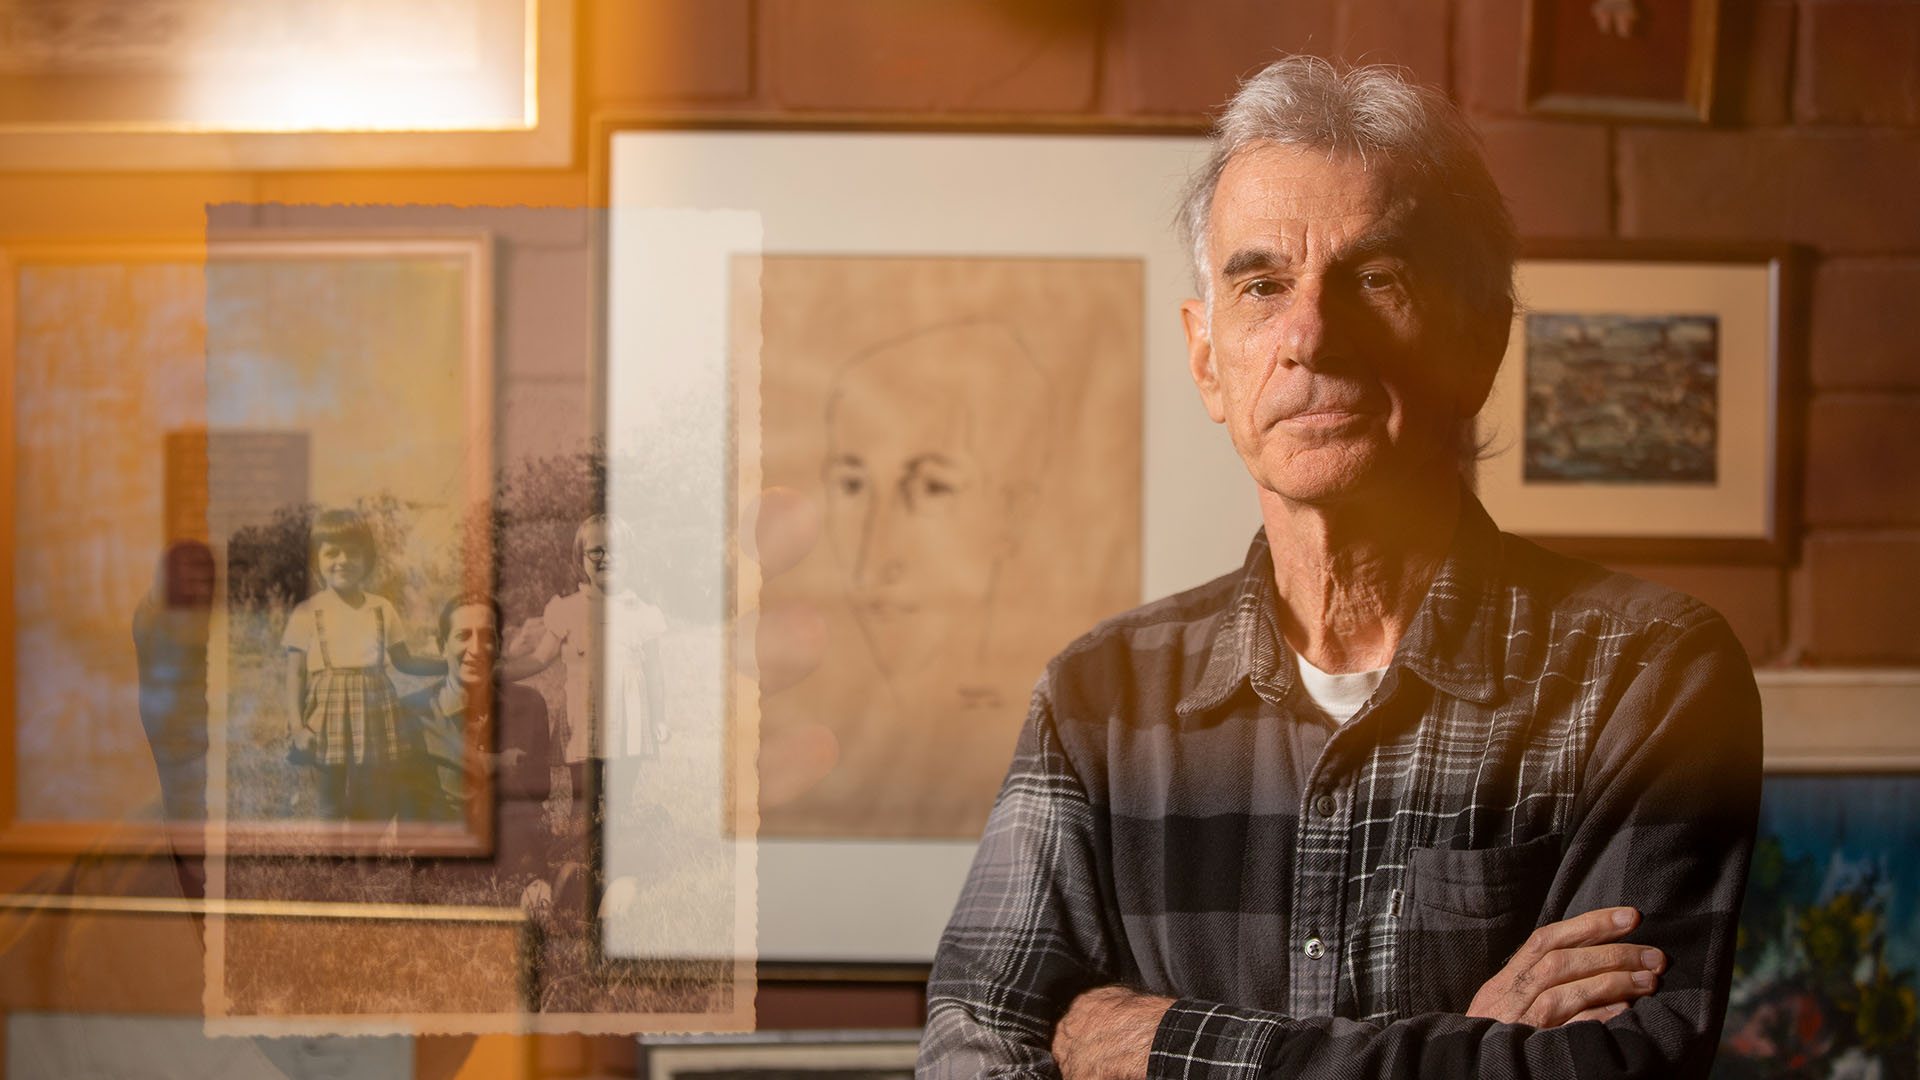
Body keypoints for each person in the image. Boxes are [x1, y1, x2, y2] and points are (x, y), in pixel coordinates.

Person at [918, 56, 1761, 1080]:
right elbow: (968, 1054)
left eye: (1375, 279)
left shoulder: (1648, 676)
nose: (1311, 336)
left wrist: (1151, 1043)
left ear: (1478, 343)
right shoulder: (1099, 699)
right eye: (1262, 287)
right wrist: (1469, 1049)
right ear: (1207, 359)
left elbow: (1611, 1071)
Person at [281, 508, 445, 820]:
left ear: (367, 558)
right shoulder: (306, 612)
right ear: (317, 559)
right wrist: (297, 727)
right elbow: (295, 675)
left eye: (353, 552)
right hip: (326, 713)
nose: (343, 560)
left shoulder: (382, 608)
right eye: (332, 552)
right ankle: (334, 851)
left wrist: (447, 665)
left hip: (374, 712)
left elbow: (405, 662)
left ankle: (365, 851)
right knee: (329, 800)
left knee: (370, 800)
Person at [500, 513, 669, 804]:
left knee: (620, 797)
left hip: (629, 716)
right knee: (583, 797)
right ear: (580, 560)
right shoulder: (567, 609)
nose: (607, 558)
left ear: (631, 557)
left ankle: (618, 818)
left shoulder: (643, 613)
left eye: (616, 550)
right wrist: (497, 672)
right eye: (596, 552)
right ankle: (583, 825)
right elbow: (540, 658)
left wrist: (659, 718)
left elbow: (654, 672)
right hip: (582, 718)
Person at [397, 595, 551, 827]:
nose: (476, 649)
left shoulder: (530, 705)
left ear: (499, 645)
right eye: (463, 636)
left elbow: (540, 792)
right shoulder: (413, 713)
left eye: (487, 637)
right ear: (441, 645)